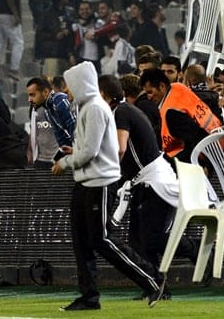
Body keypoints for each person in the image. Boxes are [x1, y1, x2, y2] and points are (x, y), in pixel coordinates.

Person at [52, 62, 165, 311]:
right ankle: (89, 296)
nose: (67, 91)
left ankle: (151, 278)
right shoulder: (87, 107)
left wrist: (66, 162)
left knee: (101, 239)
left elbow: (90, 152)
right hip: (86, 182)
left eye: (70, 86)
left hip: (100, 182)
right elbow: (91, 146)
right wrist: (74, 152)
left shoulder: (94, 108)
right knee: (82, 242)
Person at [98, 74, 195, 275]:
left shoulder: (121, 113)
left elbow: (120, 149)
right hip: (144, 180)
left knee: (152, 238)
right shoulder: (126, 110)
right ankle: (155, 282)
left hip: (153, 181)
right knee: (138, 241)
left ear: (103, 94)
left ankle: (196, 248)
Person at [139, 68, 221, 161]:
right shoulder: (178, 88)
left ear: (162, 86)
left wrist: (207, 164)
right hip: (217, 137)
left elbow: (195, 138)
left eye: (150, 92)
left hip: (204, 155)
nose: (149, 98)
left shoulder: (172, 112)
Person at [27, 77, 76, 161]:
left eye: (33, 95)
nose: (29, 100)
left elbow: (75, 131)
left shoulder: (60, 102)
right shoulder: (47, 110)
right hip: (49, 159)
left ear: (46, 92)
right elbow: (63, 140)